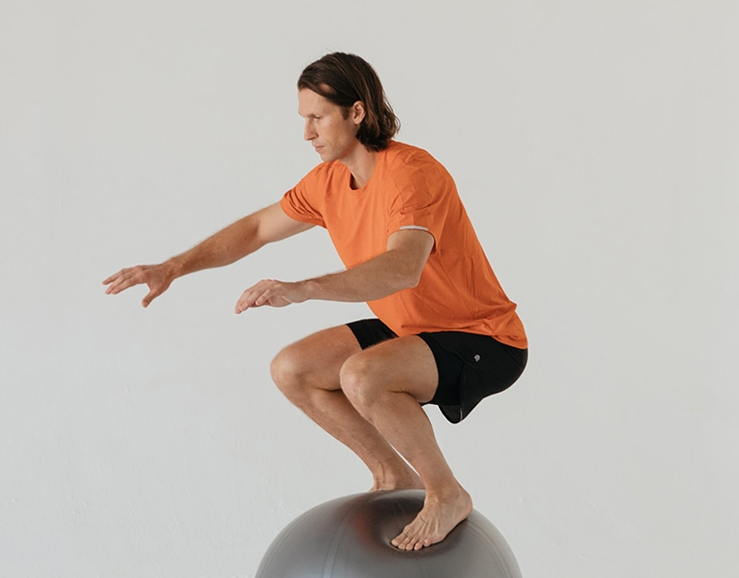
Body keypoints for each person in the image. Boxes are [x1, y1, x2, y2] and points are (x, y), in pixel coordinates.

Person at [103, 52, 528, 551]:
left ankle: (446, 493)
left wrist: (304, 289)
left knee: (363, 376)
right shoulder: (328, 183)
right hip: (411, 329)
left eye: (317, 117)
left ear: (357, 112)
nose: (306, 133)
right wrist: (173, 266)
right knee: (294, 368)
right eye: (303, 118)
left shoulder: (413, 174)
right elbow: (256, 229)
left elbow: (402, 267)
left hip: (482, 337)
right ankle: (392, 474)